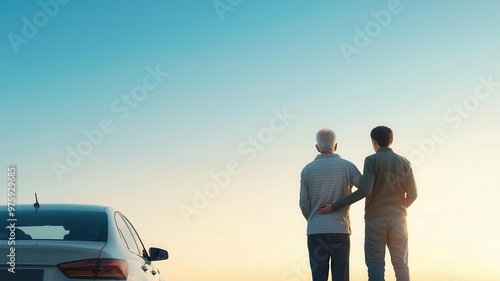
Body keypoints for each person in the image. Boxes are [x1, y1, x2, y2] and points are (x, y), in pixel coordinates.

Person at [320, 126, 418, 281]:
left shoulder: (371, 160)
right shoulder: (405, 162)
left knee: (376, 266)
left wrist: (335, 206)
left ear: (374, 142)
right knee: (401, 265)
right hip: (399, 220)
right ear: (391, 140)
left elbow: (365, 190)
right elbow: (413, 194)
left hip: (375, 221)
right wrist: (398, 209)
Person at [300, 129, 362, 281]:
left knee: (318, 277)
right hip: (340, 230)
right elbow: (365, 188)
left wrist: (313, 219)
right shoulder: (348, 167)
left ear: (317, 147)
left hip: (316, 231)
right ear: (336, 146)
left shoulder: (307, 170)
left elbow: (303, 203)